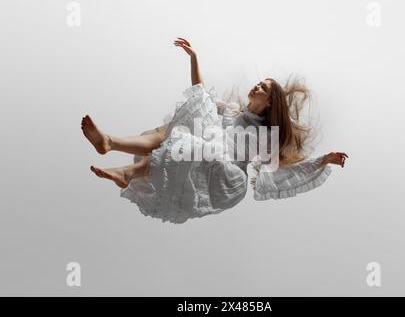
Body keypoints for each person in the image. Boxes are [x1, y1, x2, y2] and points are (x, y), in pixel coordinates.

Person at [81, 37, 349, 224]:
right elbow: (202, 96)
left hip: (226, 176)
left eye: (263, 88)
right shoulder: (231, 111)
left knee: (192, 141)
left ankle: (127, 170)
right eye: (258, 83)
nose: (256, 87)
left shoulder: (267, 137)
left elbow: (283, 172)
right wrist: (194, 58)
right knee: (178, 127)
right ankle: (110, 143)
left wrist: (322, 161)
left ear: (269, 102)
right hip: (204, 154)